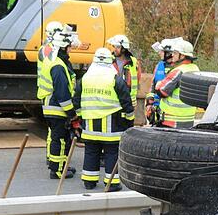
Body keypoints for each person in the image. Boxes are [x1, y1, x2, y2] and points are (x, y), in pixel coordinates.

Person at [74, 47, 133, 191]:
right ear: (110, 62)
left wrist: (80, 118)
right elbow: (126, 102)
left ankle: (89, 181)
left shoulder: (84, 79)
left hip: (90, 127)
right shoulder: (115, 79)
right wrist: (129, 121)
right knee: (112, 153)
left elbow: (76, 101)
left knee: (91, 152)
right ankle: (111, 183)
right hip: (112, 127)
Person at [37, 23, 79, 179]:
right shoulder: (58, 66)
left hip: (51, 106)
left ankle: (61, 167)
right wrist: (72, 113)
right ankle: (58, 171)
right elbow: (62, 93)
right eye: (69, 47)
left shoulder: (54, 61)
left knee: (58, 138)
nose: (70, 50)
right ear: (63, 47)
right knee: (60, 140)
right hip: (56, 108)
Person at [154, 38, 199, 128]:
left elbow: (161, 91)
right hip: (188, 119)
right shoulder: (195, 69)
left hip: (172, 120)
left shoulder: (178, 71)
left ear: (182, 55)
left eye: (175, 53)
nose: (172, 55)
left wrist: (158, 83)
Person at [145, 39, 169, 125]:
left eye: (161, 51)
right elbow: (153, 85)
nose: (159, 53)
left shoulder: (177, 69)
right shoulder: (159, 65)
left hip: (169, 112)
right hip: (157, 109)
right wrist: (149, 104)